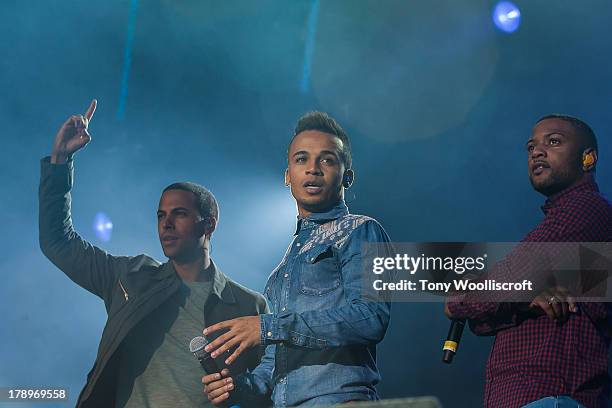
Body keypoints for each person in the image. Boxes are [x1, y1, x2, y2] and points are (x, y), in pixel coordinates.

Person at [39, 100, 268, 408]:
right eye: (161, 215)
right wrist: (60, 161)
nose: (167, 224)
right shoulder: (131, 277)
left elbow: (267, 389)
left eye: (180, 214)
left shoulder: (247, 306)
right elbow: (57, 242)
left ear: (209, 224)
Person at [201, 111, 392, 406]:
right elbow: (271, 369)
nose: (313, 169)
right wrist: (235, 387)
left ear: (348, 176)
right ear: (288, 176)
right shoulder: (279, 273)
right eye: (301, 159)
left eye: (327, 159)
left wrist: (268, 327)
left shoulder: (362, 230)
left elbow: (370, 319)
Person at [445, 114, 612, 408]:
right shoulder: (564, 223)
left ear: (588, 157)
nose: (536, 151)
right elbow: (481, 320)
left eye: (554, 142)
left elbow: (473, 297)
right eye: (531, 146)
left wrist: (473, 293)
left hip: (552, 395)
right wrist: (524, 299)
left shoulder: (584, 211)